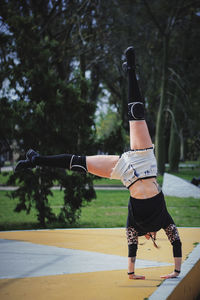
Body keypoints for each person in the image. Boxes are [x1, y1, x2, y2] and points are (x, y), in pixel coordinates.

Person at [15, 46, 182, 280]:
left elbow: (161, 244)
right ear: (150, 237)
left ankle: (36, 159)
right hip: (141, 168)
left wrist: (135, 273)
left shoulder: (142, 225)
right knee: (135, 114)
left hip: (130, 173)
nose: (147, 237)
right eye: (148, 238)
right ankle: (130, 69)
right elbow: (173, 241)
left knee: (80, 162)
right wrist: (173, 272)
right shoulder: (156, 222)